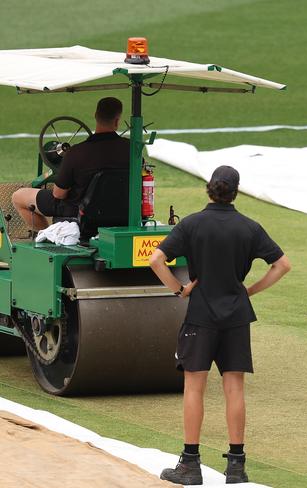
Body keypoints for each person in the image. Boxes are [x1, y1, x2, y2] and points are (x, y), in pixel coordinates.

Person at [150, 165, 291, 485]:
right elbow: (282, 265)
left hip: (200, 315)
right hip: (237, 317)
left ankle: (190, 464)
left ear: (209, 189)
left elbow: (155, 260)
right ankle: (236, 466)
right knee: (234, 388)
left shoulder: (191, 225)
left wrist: (179, 289)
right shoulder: (249, 227)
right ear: (235, 192)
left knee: (194, 388)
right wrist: (249, 290)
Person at [11, 97, 129, 231]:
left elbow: (58, 194)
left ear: (96, 116)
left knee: (18, 196)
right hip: (120, 210)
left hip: (78, 211)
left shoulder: (76, 152)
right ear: (117, 120)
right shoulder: (131, 150)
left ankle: (46, 235)